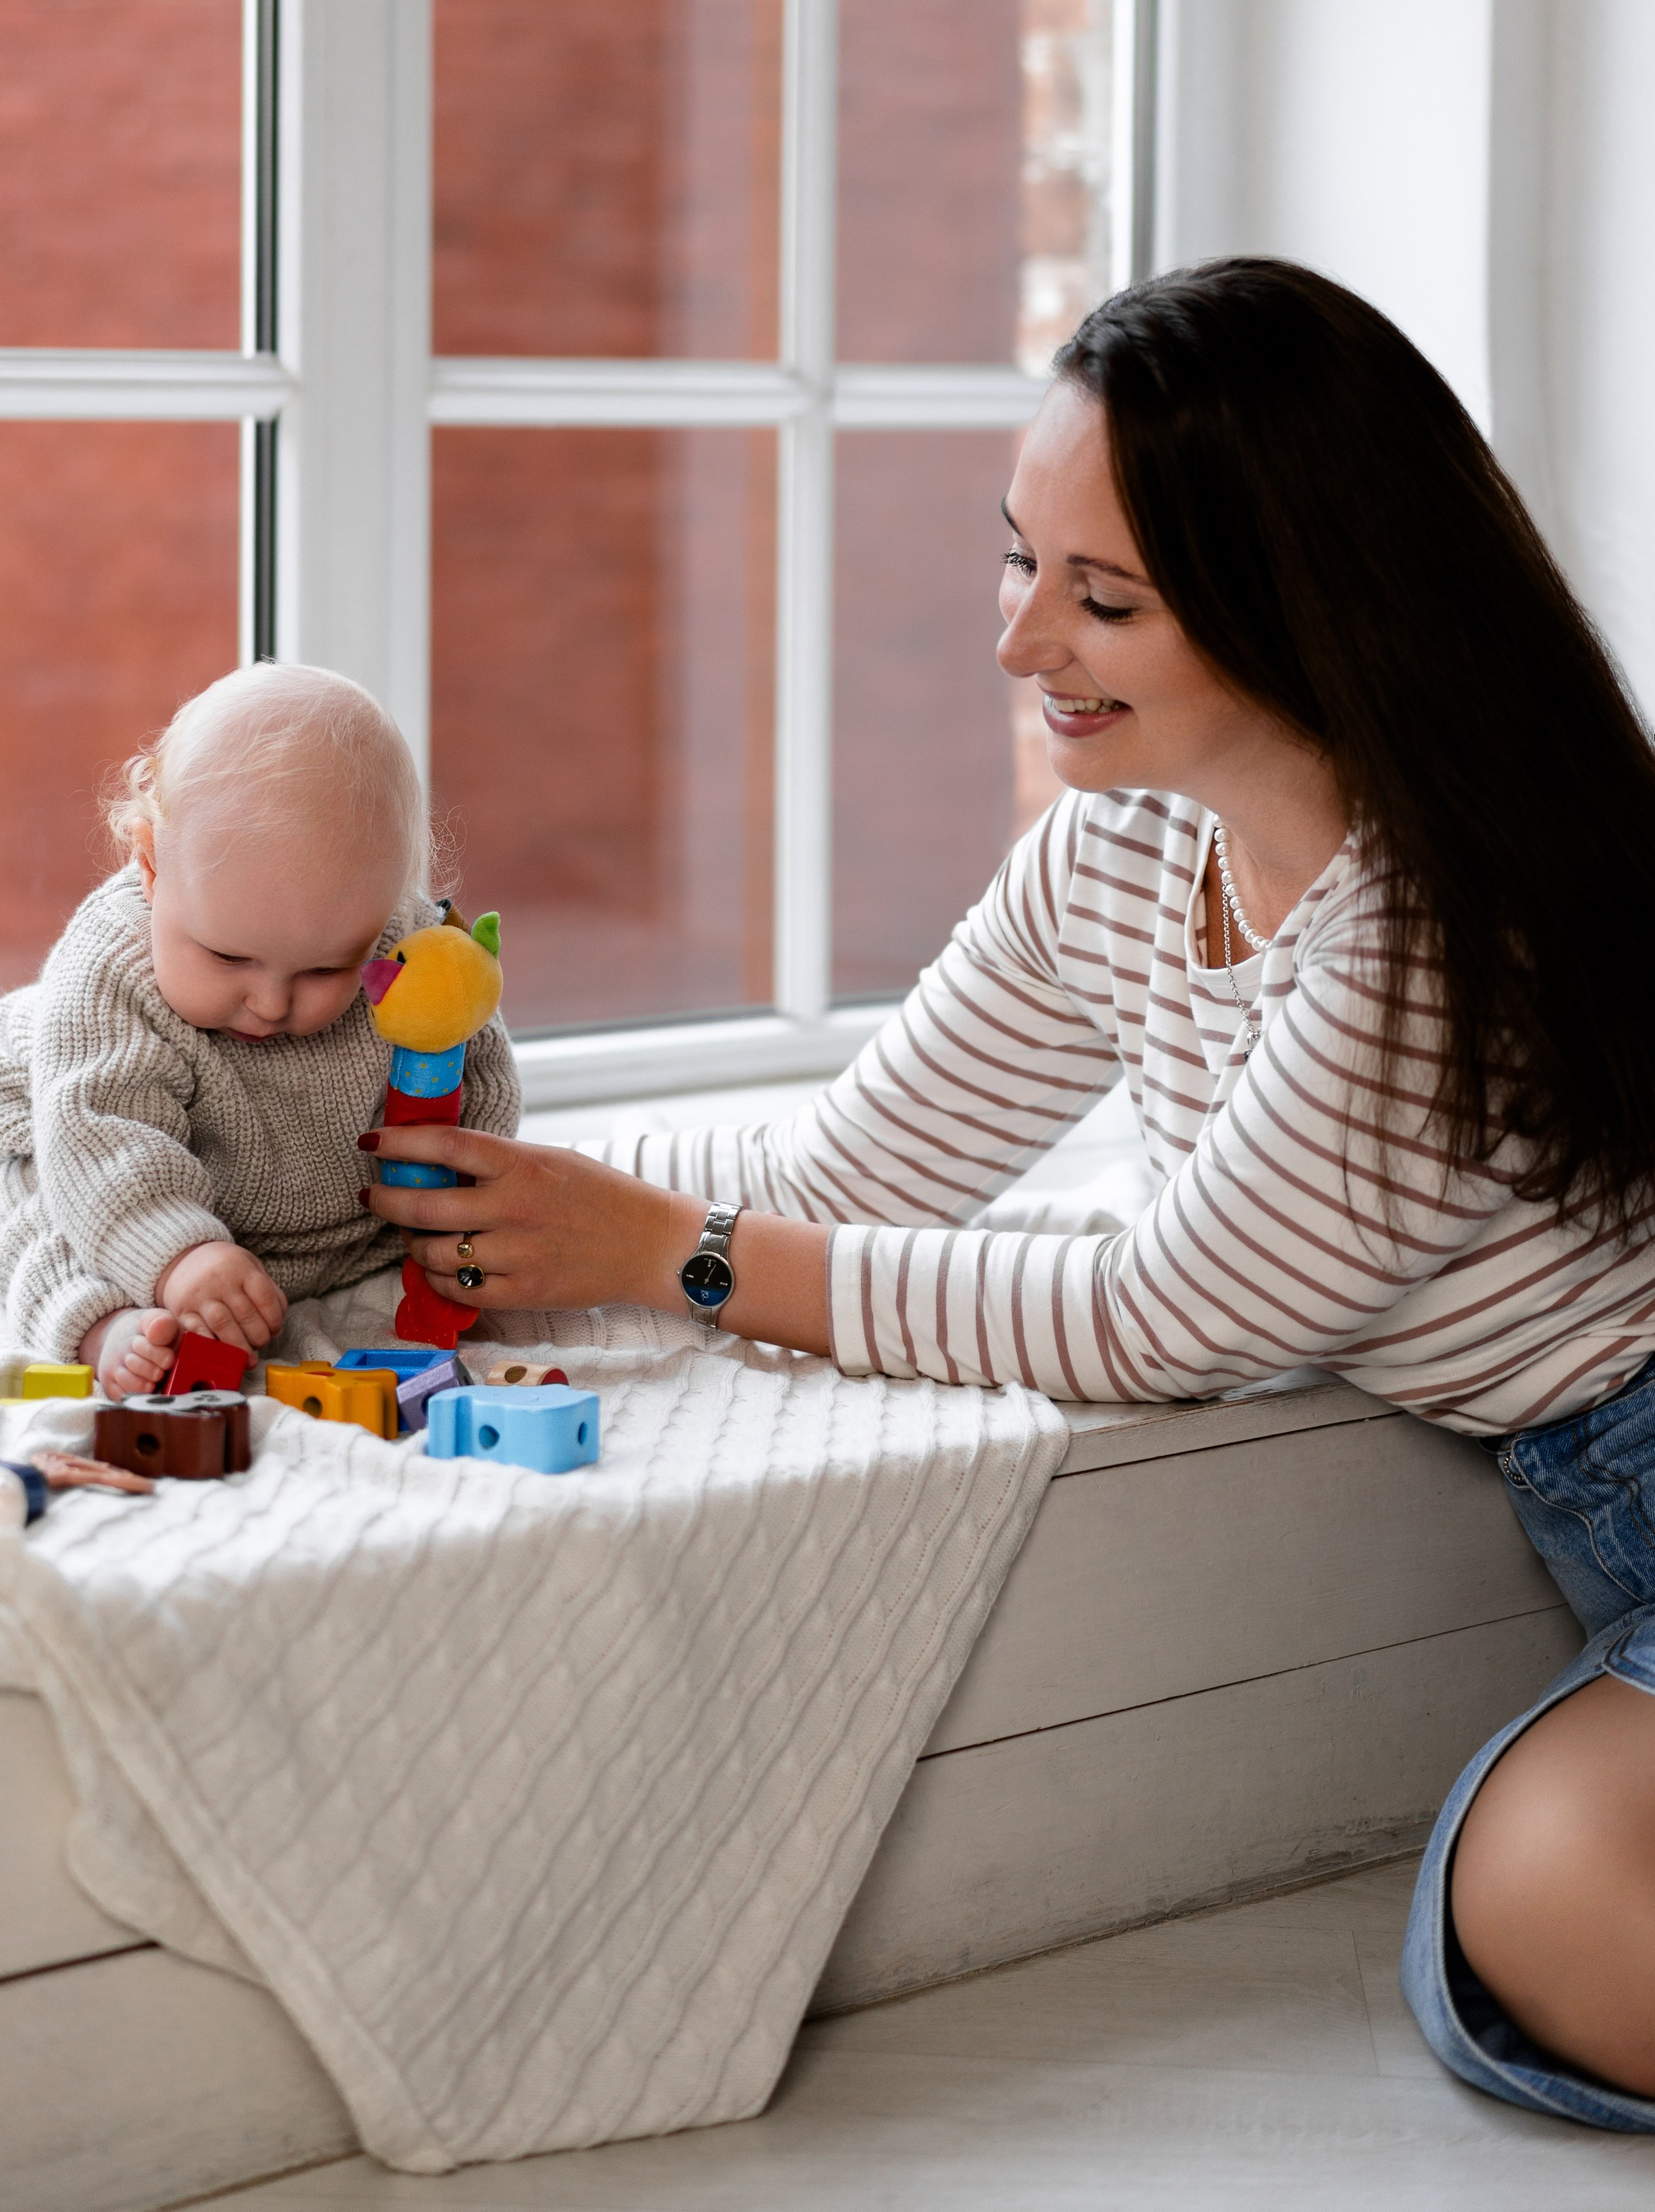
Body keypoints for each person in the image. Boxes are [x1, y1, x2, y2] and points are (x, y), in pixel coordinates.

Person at [361, 259, 1655, 2128]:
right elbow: (839, 1168)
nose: (1019, 643)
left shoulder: (1430, 942)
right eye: (1014, 561)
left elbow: (1154, 1320)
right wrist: (479, 1184)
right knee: (1534, 1909)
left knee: (1536, 1903)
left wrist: (670, 1259)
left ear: (1309, 611)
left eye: (1102, 598)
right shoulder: (1119, 865)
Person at [0, 662, 519, 1400]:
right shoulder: (109, 973)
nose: (268, 1001)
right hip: (96, 1175)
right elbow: (101, 1134)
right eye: (228, 956)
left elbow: (475, 1076)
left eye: (324, 969)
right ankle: (108, 1331)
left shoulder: (408, 950)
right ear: (152, 864)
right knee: (25, 1211)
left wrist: (472, 1207)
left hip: (331, 1223)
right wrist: (179, 1256)